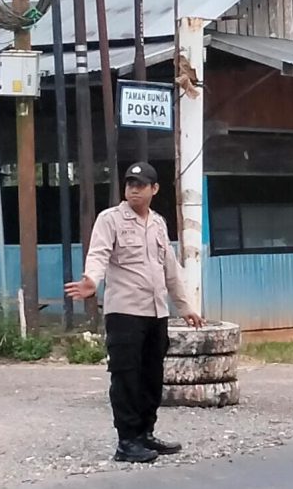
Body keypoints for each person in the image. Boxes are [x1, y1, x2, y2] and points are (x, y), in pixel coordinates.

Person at [66, 163, 204, 464]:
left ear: (154, 189)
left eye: (141, 185)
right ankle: (126, 441)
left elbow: (170, 269)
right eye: (130, 184)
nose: (134, 190)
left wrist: (185, 307)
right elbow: (99, 253)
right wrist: (92, 280)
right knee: (126, 377)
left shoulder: (157, 223)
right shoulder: (110, 219)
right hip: (125, 313)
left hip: (156, 314)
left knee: (151, 377)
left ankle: (145, 434)